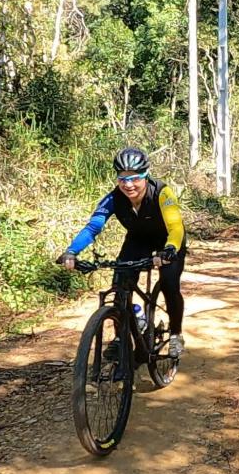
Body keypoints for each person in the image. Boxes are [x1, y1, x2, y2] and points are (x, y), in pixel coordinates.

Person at [58, 148, 187, 358]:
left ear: (145, 175)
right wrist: (71, 251)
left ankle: (175, 334)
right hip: (137, 240)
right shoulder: (114, 199)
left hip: (168, 242)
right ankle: (122, 337)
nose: (128, 185)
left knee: (169, 284)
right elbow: (93, 227)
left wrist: (170, 250)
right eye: (122, 179)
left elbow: (175, 227)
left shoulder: (162, 193)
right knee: (119, 287)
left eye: (135, 178)